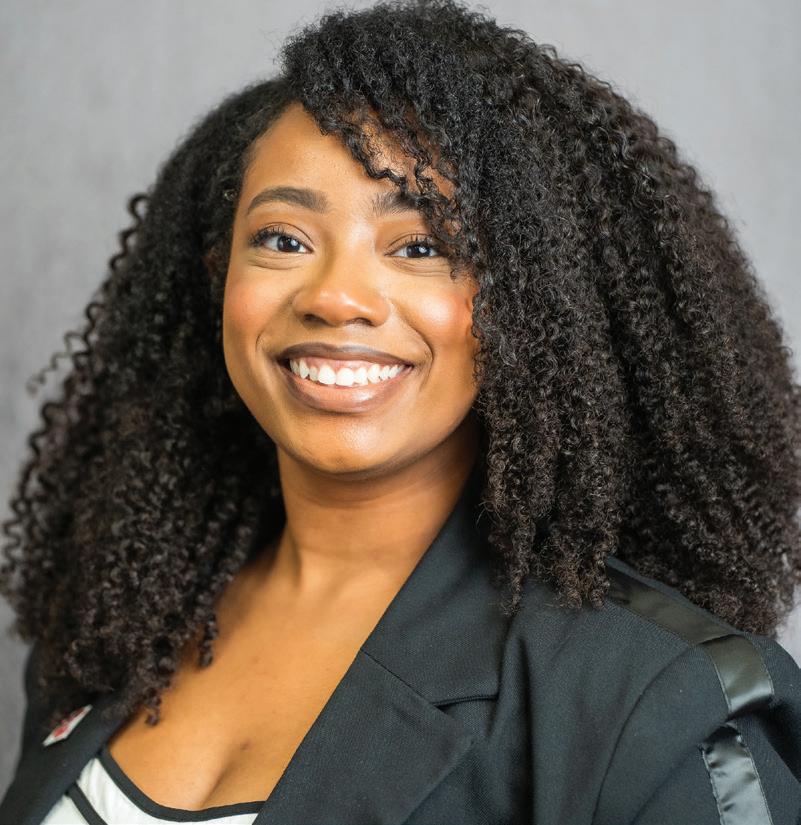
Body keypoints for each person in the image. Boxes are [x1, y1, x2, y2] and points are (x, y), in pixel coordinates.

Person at [1, 0, 800, 822]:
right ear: (218, 275)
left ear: (530, 305)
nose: (335, 296)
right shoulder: (113, 618)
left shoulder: (658, 698)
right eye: (283, 239)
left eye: (421, 247)